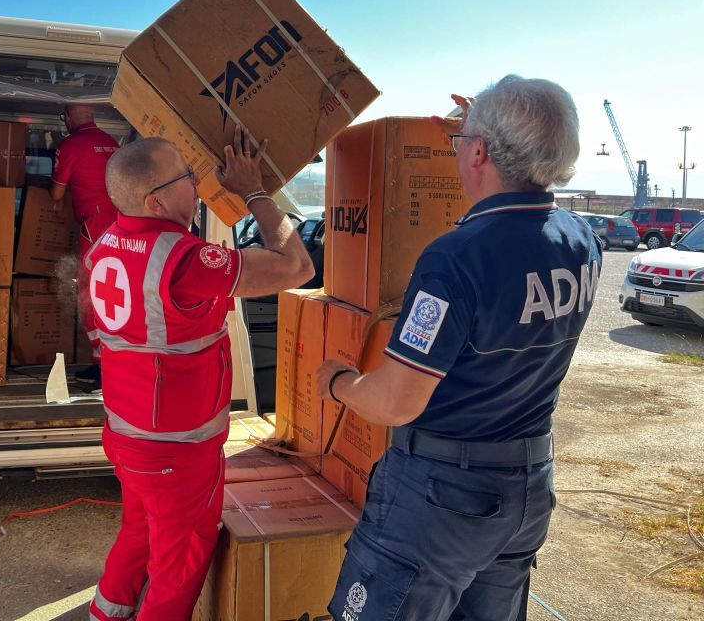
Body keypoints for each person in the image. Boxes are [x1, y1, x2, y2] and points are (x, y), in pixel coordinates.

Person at [317, 75, 603, 621]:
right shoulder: (579, 239)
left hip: (442, 495)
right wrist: (496, 135)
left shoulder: (456, 257)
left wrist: (337, 381)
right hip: (526, 487)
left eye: (466, 144)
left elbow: (397, 401)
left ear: (479, 153)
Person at [87, 128, 314, 621]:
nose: (198, 183)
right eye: (187, 176)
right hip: (176, 448)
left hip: (126, 432)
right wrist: (254, 190)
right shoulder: (184, 260)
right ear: (157, 197)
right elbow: (297, 267)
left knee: (139, 529)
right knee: (180, 565)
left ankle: (107, 612)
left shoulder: (107, 241)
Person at [50, 103, 120, 385]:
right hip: (122, 226)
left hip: (96, 226)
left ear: (67, 118)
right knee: (115, 292)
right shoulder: (111, 143)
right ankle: (111, 360)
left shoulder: (71, 145)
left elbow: (56, 193)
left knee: (89, 292)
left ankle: (104, 364)